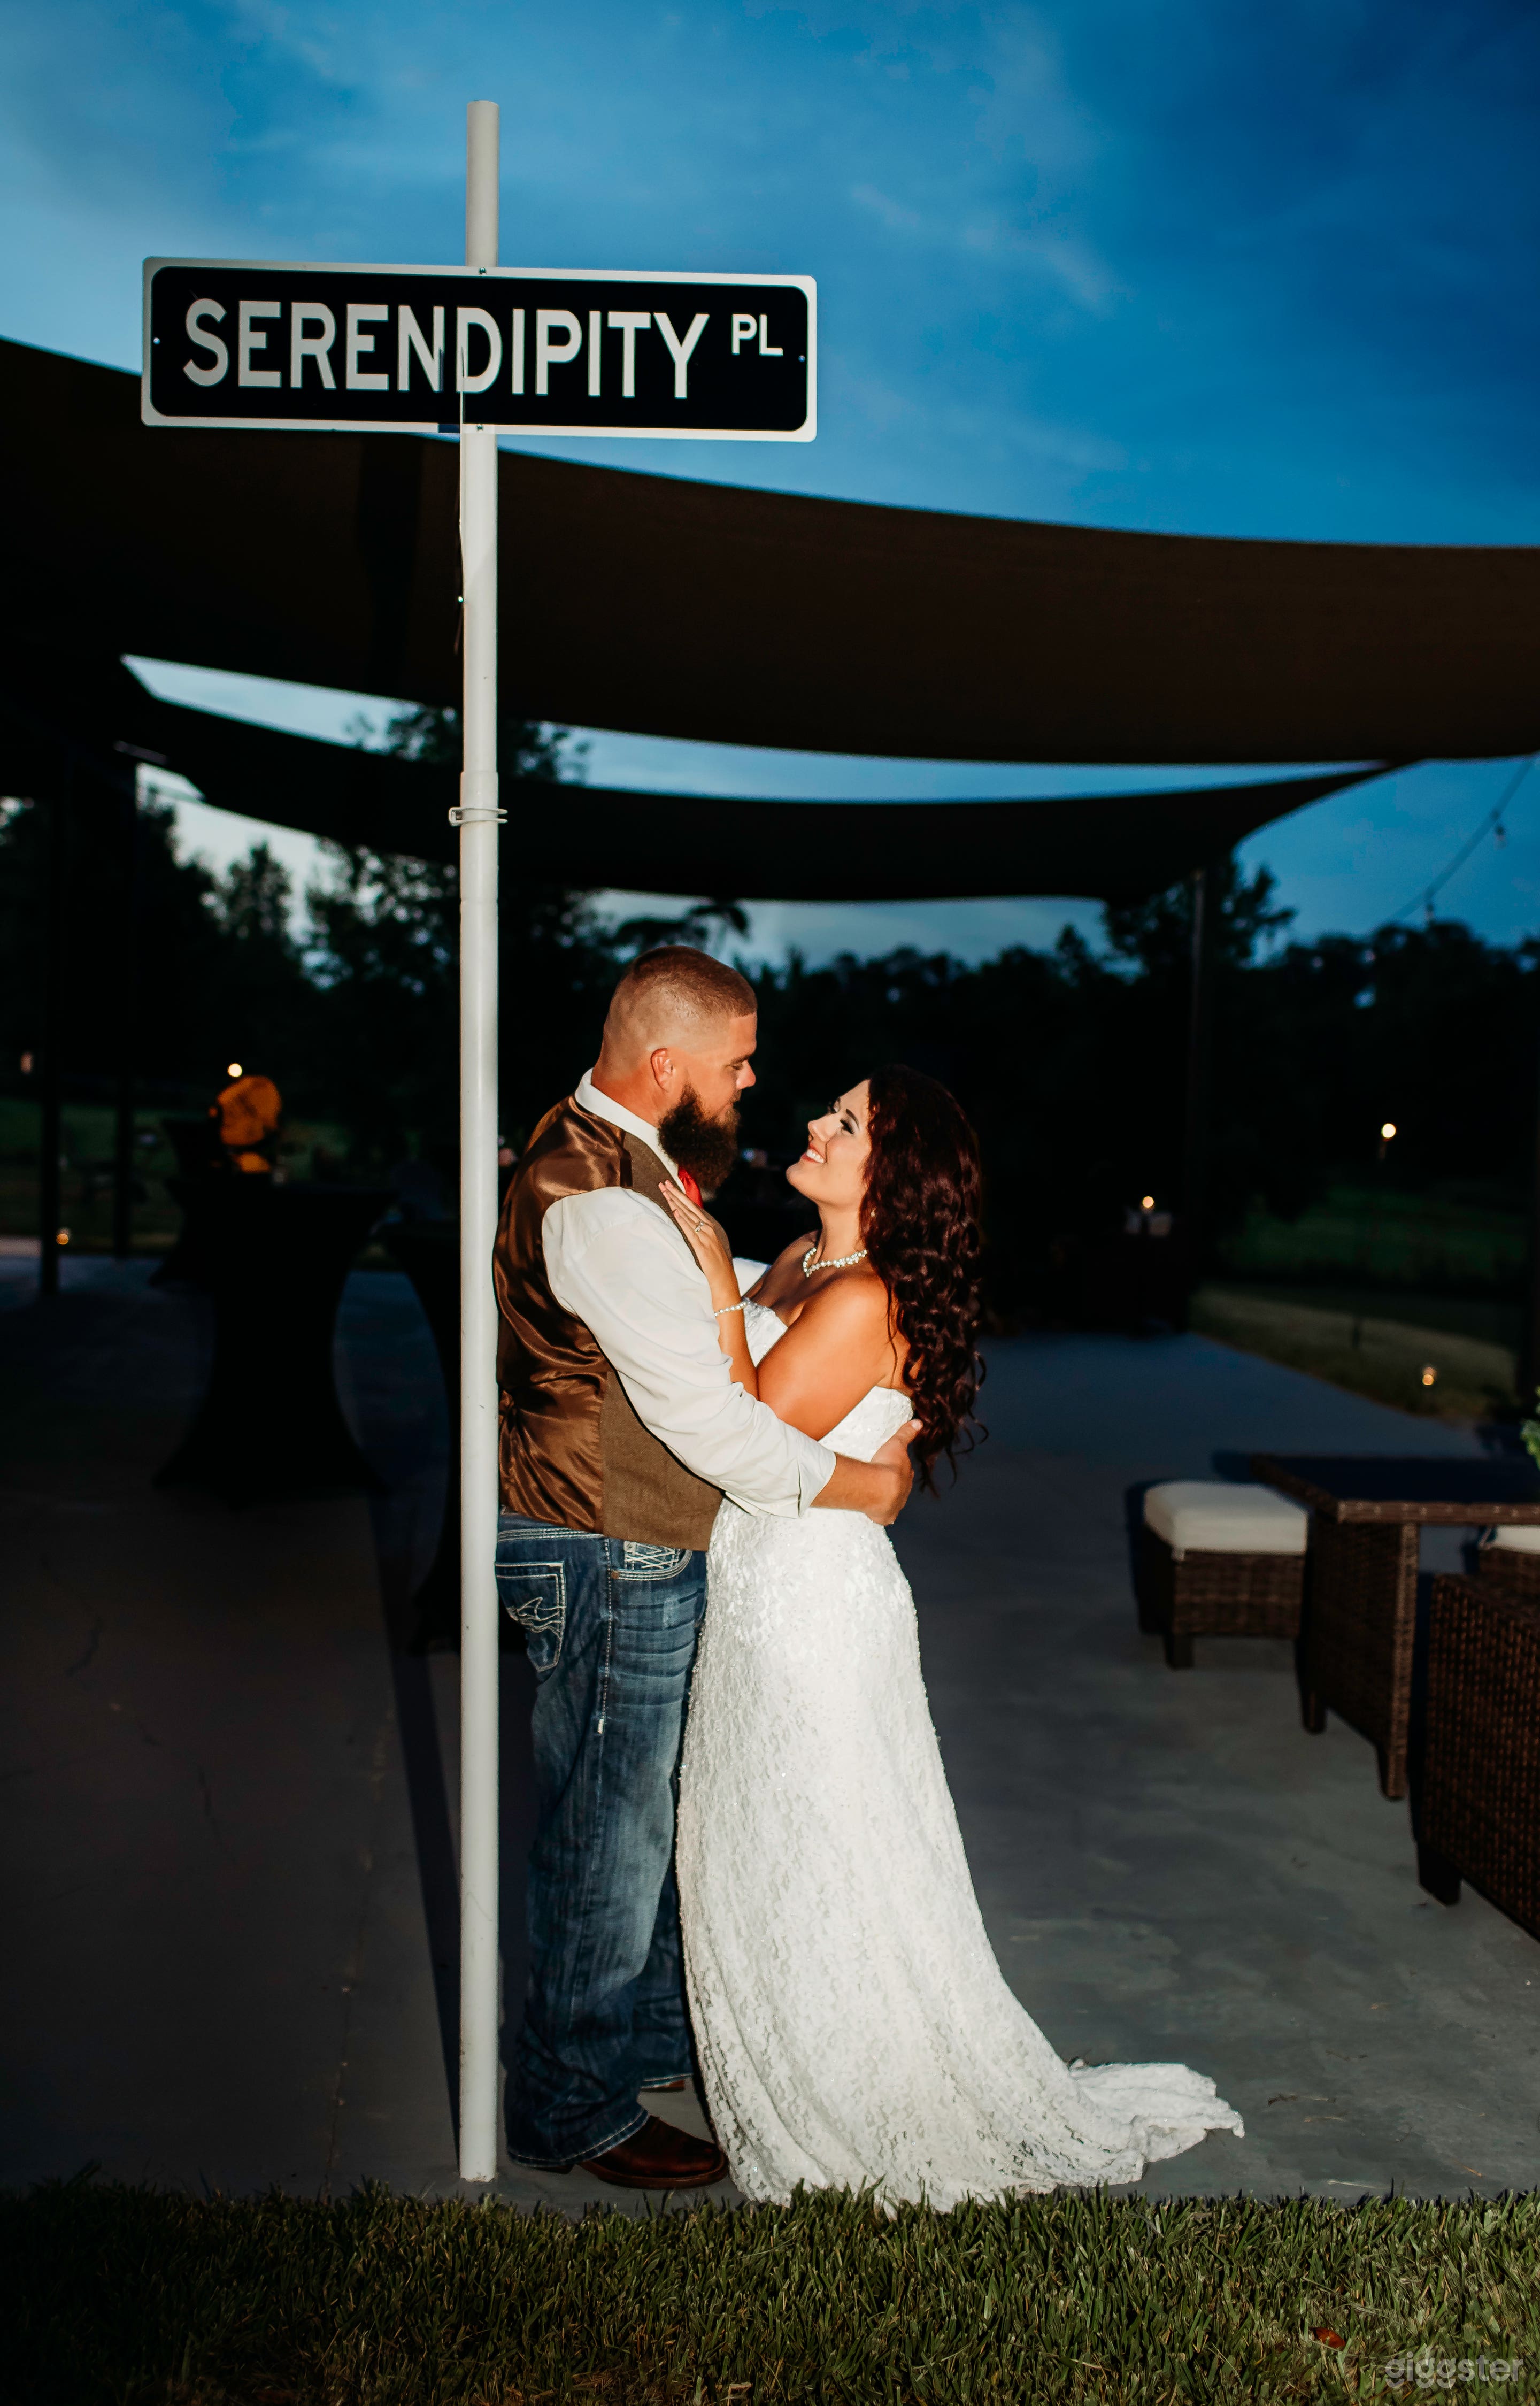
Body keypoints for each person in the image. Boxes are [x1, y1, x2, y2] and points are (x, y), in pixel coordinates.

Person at [664, 1066, 1243, 2208]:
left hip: (810, 1610)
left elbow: (739, 1435)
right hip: (763, 1593)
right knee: (768, 1840)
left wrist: (704, 1280)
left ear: (896, 1174)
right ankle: (798, 2048)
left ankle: (852, 2083)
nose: (818, 1127)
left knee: (829, 1850)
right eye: (830, 1110)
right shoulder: (802, 1263)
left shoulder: (862, 1299)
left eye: (849, 1124)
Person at [492, 949, 918, 2191]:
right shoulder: (602, 1201)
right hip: (612, 1536)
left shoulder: (608, 1162)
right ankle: (574, 2108)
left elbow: (695, 1306)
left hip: (605, 1533)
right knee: (611, 1834)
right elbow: (712, 1423)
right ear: (669, 1066)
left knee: (633, 1810)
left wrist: (785, 1288)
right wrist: (863, 1487)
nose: (750, 1085)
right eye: (736, 1064)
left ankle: (641, 2044)